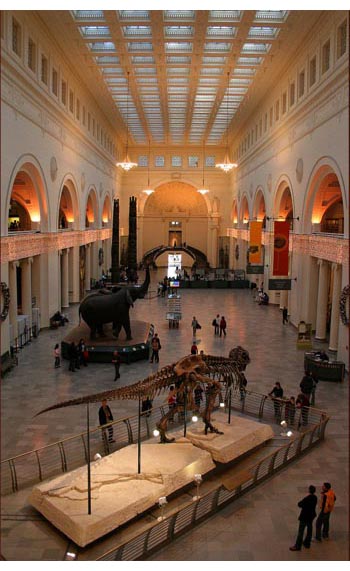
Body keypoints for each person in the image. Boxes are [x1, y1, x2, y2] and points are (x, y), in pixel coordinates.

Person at [290, 485, 317, 551]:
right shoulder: (315, 497)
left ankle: (297, 546)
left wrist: (304, 499)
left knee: (301, 531)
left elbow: (299, 504)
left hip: (305, 516)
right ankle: (307, 543)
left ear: (309, 490)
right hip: (311, 516)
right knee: (309, 529)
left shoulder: (307, 498)